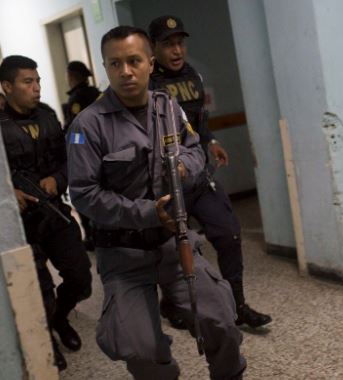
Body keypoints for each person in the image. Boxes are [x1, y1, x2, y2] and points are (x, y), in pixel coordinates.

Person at [67, 26, 246, 379]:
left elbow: (194, 149)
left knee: (221, 320)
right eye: (115, 63)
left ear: (150, 63)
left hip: (174, 244)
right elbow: (84, 194)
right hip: (123, 255)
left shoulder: (168, 107)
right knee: (140, 349)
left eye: (134, 61)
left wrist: (183, 167)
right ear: (106, 67)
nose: (125, 71)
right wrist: (147, 213)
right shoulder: (87, 125)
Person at [149, 15, 272, 329]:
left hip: (197, 176)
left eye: (180, 43)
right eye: (168, 44)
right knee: (173, 246)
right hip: (164, 183)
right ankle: (171, 302)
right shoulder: (147, 86)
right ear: (153, 49)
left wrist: (211, 140)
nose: (177, 50)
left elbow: (198, 121)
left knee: (228, 232)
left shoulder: (193, 75)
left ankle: (238, 304)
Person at [0, 55, 92, 371]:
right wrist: (9, 192)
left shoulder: (50, 116)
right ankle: (48, 338)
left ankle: (60, 319)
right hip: (22, 223)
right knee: (40, 290)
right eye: (28, 82)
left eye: (38, 81)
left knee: (80, 279)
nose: (37, 88)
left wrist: (58, 179)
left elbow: (70, 158)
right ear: (7, 86)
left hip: (55, 212)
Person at [63, 60, 100, 251]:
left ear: (72, 76)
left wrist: (76, 150)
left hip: (86, 156)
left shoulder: (77, 99)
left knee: (84, 196)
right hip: (103, 152)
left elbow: (76, 129)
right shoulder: (96, 94)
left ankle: (92, 238)